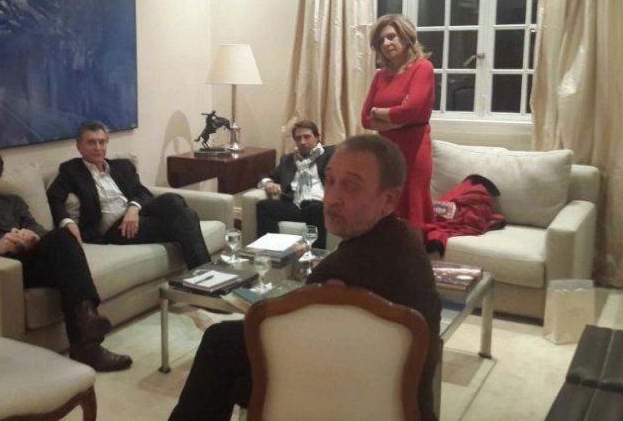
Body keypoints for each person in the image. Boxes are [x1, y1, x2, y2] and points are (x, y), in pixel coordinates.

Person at [169, 135, 442, 421]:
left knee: (219, 344)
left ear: (389, 200)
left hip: (339, 397)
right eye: (330, 181)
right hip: (401, 404)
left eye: (351, 186)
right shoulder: (404, 241)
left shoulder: (340, 269)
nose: (332, 198)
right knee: (228, 350)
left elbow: (290, 329)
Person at [0, 146, 132, 372]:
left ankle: (87, 325)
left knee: (62, 237)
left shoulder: (12, 202)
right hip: (3, 268)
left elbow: (38, 228)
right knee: (70, 268)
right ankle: (88, 342)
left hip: (31, 259)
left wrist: (33, 236)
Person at [47, 121, 211, 269]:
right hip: (116, 230)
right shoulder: (71, 170)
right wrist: (68, 222)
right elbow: (55, 197)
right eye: (91, 142)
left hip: (137, 216)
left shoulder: (122, 166)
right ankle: (207, 277)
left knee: (172, 200)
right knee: (188, 217)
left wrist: (133, 209)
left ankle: (204, 280)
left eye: (102, 142)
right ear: (79, 147)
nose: (98, 147)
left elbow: (142, 192)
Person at [361, 13, 436, 235]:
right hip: (386, 151)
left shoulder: (422, 68)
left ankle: (414, 256)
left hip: (414, 149)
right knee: (386, 206)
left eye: (391, 37)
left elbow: (410, 111)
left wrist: (379, 113)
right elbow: (365, 119)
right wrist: (396, 119)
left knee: (413, 209)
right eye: (381, 40)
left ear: (406, 37)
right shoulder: (380, 76)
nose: (386, 43)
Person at [255, 120, 335, 248]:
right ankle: (270, 251)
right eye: (298, 138)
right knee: (263, 206)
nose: (302, 142)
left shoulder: (330, 154)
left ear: (317, 137)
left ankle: (315, 254)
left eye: (307, 137)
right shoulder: (288, 160)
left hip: (318, 205)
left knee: (314, 208)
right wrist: (268, 183)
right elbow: (265, 176)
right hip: (295, 205)